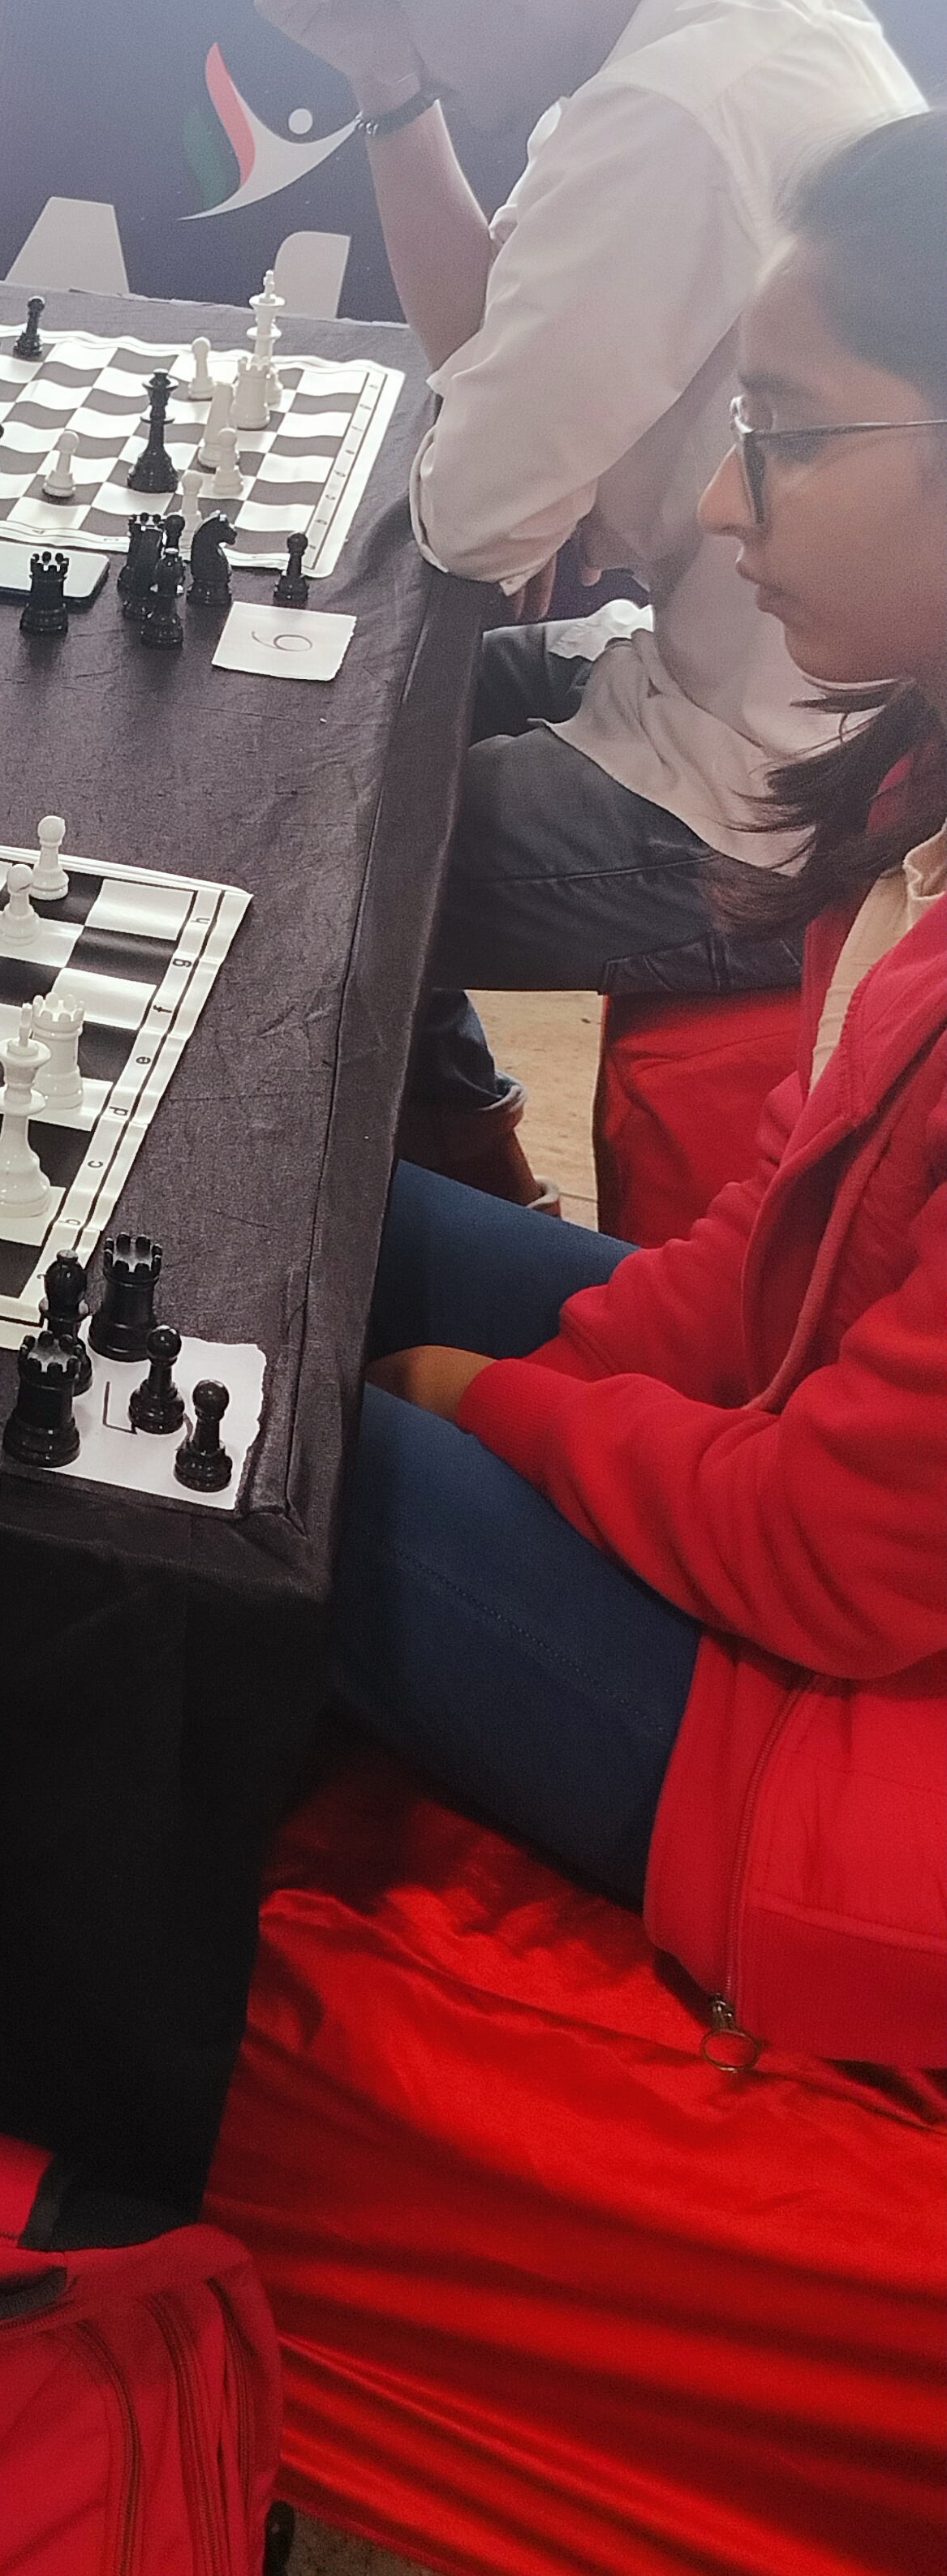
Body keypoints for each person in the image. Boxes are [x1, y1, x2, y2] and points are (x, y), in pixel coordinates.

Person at [336, 109, 947, 2064]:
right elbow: (760, 1257)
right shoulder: (910, 795)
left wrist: (491, 1410)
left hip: (850, 1788)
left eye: (783, 426)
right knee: (303, 1229)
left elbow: (828, 1564)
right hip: (820, 1541)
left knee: (253, 1471)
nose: (717, 508)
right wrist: (549, 1388)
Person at [260, 0, 919, 1206]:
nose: (427, 47)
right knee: (313, 712)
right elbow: (493, 372)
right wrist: (392, 80)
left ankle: (391, 1228)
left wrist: (498, 449)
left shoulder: (670, 118)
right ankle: (481, 1154)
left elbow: (475, 516)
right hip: (734, 696)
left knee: (287, 846)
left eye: (416, 6)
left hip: (751, 800)